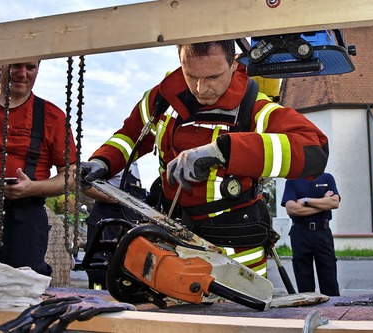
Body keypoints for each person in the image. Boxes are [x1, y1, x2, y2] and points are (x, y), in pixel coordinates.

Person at [80, 40, 329, 277]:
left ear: (233, 62)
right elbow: (130, 136)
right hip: (171, 239)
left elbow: (314, 150)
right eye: (191, 76)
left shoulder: (252, 106)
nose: (201, 89)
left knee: (238, 319)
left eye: (212, 77)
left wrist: (223, 151)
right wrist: (103, 161)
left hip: (237, 250)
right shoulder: (162, 99)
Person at [0, 61, 78, 276]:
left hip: (25, 220)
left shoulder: (52, 117)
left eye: (30, 68)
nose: (22, 74)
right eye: (15, 66)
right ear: (1, 64)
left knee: (23, 291)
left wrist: (31, 187)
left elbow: (71, 176)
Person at [81, 161, 146, 290]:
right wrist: (118, 199)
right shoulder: (108, 161)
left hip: (128, 222)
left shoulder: (134, 166)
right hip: (108, 223)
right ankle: (99, 296)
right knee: (101, 270)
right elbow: (82, 184)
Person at [281, 172, 340, 296]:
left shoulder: (327, 178)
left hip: (322, 233)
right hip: (300, 233)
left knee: (329, 280)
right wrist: (323, 203)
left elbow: (334, 203)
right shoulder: (292, 180)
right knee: (304, 282)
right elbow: (292, 209)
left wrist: (306, 201)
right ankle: (306, 310)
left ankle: (333, 312)